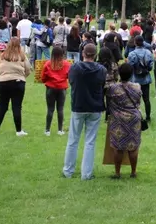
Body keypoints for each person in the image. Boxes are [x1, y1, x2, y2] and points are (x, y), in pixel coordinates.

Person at [63, 43, 107, 180]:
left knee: (73, 140)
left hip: (79, 105)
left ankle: (68, 171)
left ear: (83, 53)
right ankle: (86, 174)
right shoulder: (101, 70)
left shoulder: (75, 68)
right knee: (90, 141)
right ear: (95, 55)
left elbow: (71, 82)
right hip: (94, 107)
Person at [106, 63, 143, 179]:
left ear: (119, 74)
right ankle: (133, 172)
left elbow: (108, 98)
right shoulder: (137, 87)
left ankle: (117, 173)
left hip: (118, 119)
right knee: (133, 146)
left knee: (118, 147)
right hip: (134, 119)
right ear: (131, 73)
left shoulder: (113, 88)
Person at [0, 38, 31, 136]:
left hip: (2, 82)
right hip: (18, 82)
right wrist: (22, 77)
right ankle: (19, 131)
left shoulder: (2, 56)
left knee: (2, 106)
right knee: (17, 107)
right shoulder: (22, 56)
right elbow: (28, 70)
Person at [41, 46, 71, 136]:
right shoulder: (66, 64)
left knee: (50, 109)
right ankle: (60, 130)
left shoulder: (48, 64)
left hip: (50, 88)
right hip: (62, 88)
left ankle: (47, 130)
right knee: (60, 109)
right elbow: (69, 76)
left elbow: (43, 78)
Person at [128, 35, 154, 122]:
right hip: (145, 79)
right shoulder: (148, 53)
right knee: (146, 99)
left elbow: (130, 67)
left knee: (134, 100)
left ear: (135, 42)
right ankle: (148, 117)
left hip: (134, 79)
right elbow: (150, 66)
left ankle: (135, 116)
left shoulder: (131, 54)